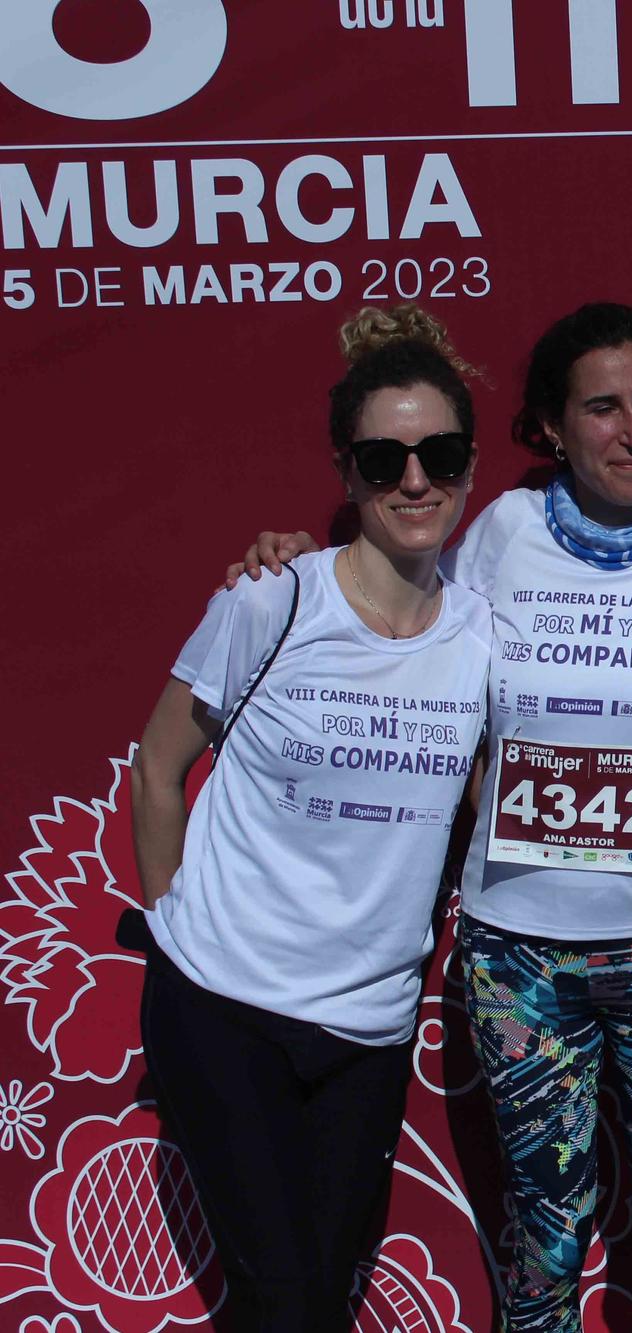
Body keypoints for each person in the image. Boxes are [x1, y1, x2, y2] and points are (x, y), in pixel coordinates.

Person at [234, 302, 632, 1332]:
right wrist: (290, 560)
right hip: (519, 951)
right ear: (550, 428)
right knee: (544, 1227)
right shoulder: (503, 532)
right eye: (602, 409)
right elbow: (393, 613)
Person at [131, 305, 492, 1330]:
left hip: (367, 1028)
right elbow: (159, 770)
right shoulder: (272, 599)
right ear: (347, 471)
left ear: (469, 466)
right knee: (285, 1296)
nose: (415, 481)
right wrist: (170, 937)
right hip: (224, 1002)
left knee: (313, 1297)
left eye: (440, 454)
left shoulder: (481, 635)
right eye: (386, 458)